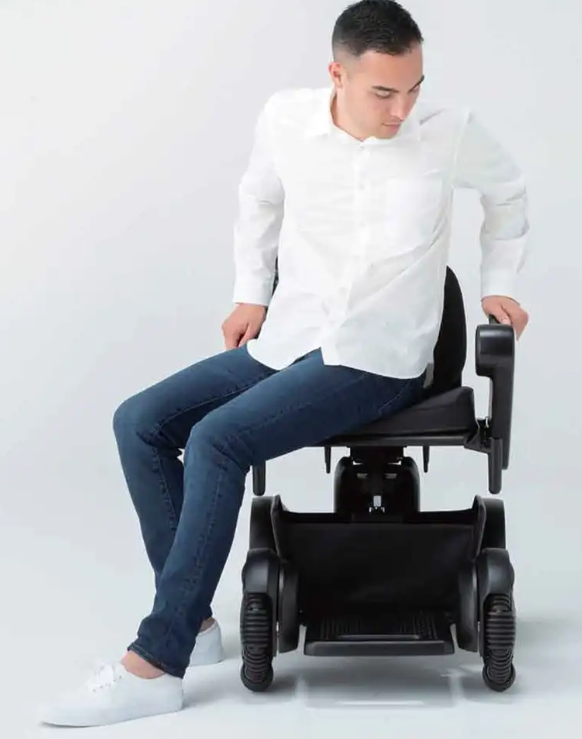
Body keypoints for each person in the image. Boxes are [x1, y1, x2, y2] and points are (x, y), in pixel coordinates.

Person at [39, 0, 529, 727]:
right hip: (292, 337)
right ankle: (195, 627)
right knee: (139, 421)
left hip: (380, 355)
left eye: (414, 88)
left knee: (217, 439)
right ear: (337, 74)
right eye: (383, 92)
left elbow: (507, 191)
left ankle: (156, 664)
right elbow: (259, 200)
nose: (402, 109)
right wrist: (250, 293)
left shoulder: (447, 131)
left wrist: (499, 282)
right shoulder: (285, 120)